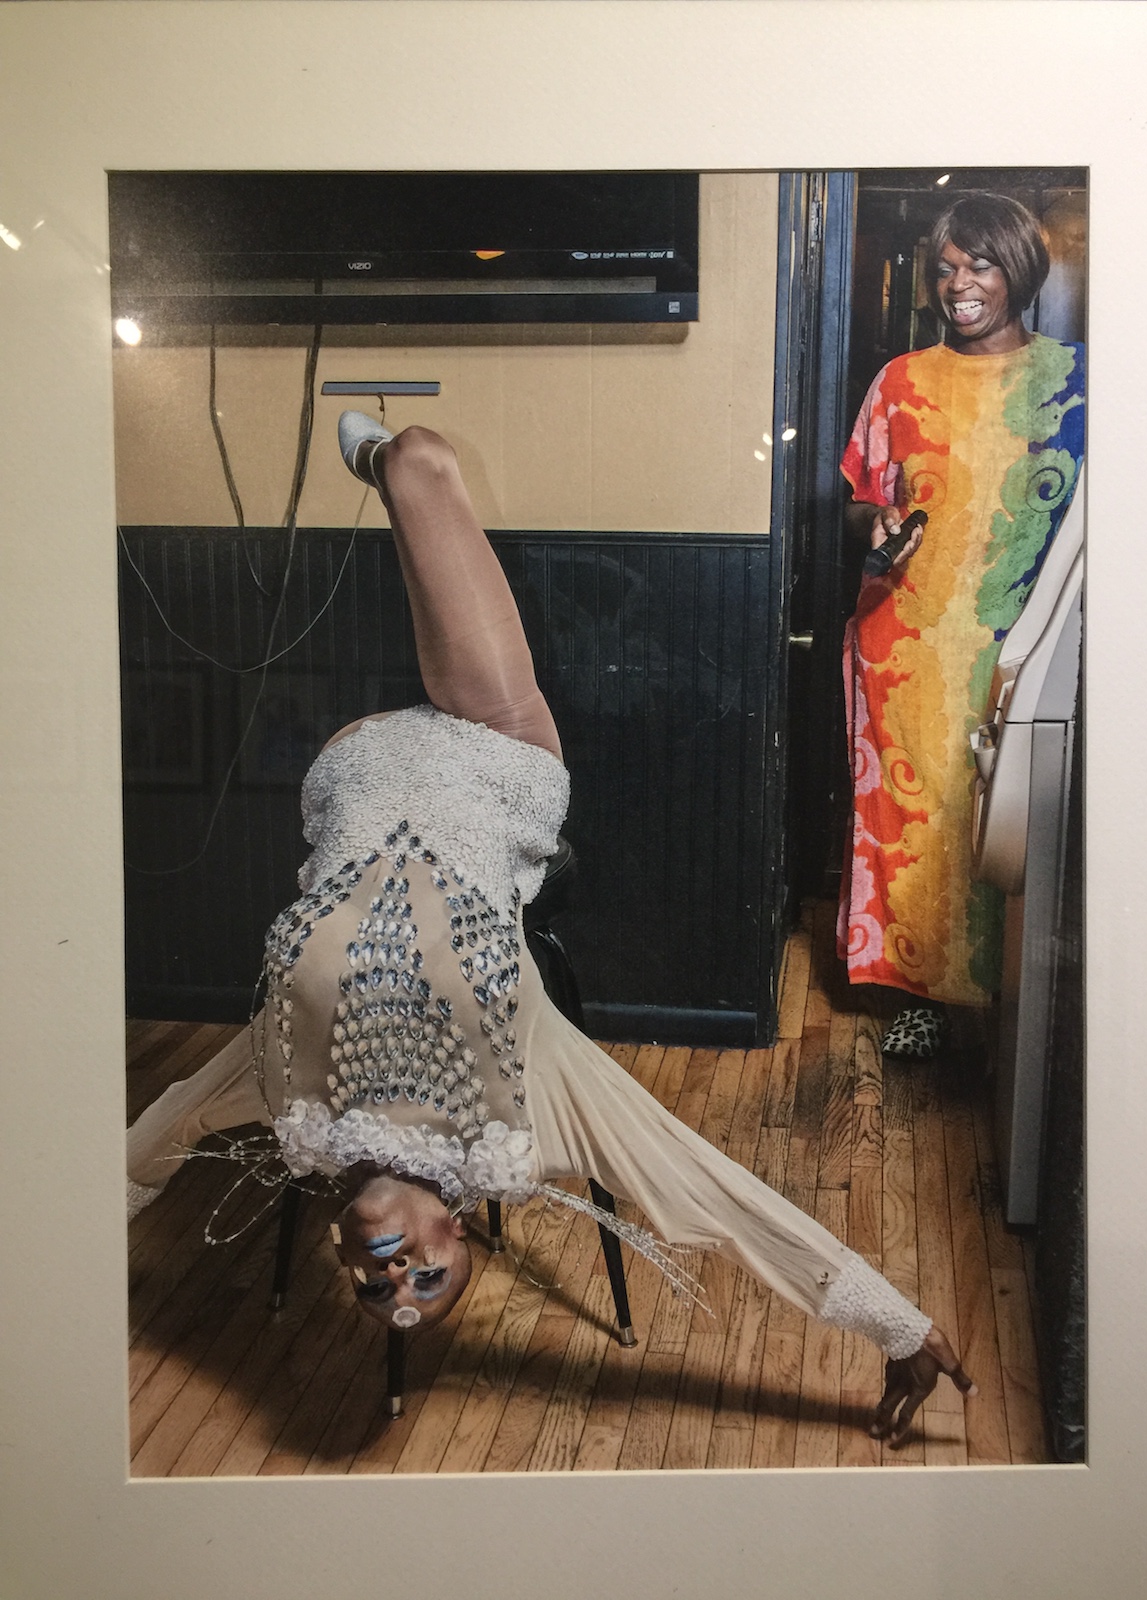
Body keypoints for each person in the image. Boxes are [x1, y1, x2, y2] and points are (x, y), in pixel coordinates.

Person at [127, 414, 976, 1446]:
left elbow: (153, 1137)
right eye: (427, 1278)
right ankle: (395, 466)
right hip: (496, 755)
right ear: (457, 1228)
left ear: (342, 1260)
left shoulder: (290, 1094)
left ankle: (395, 471)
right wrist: (896, 1323)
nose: (393, 1272)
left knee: (422, 491)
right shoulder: (525, 1114)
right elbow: (710, 1189)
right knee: (424, 465)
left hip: (353, 766)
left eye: (374, 1287)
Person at [838, 193, 1085, 1059]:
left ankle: (1017, 1010)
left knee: (1008, 824)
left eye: (979, 264)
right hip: (906, 644)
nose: (959, 284)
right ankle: (922, 999)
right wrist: (872, 524)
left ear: (1020, 266)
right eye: (944, 269)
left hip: (1030, 648)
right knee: (918, 826)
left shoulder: (1077, 382)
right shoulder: (900, 382)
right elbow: (861, 497)